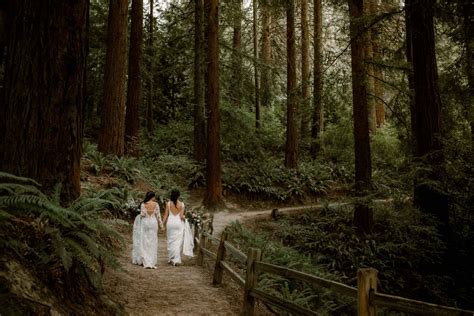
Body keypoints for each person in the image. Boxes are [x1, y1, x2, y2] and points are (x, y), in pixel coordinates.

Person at [132, 191, 164, 269]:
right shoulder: (156, 204)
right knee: (153, 241)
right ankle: (151, 260)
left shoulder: (143, 204)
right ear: (152, 197)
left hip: (145, 222)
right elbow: (158, 216)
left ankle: (145, 259)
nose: (155, 198)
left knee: (144, 241)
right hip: (153, 223)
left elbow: (142, 214)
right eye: (154, 197)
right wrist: (161, 226)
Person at [163, 189, 193, 266]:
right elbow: (181, 216)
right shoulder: (182, 204)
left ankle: (171, 258)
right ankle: (176, 259)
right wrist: (186, 218)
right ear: (179, 195)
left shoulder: (169, 203)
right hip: (178, 223)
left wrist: (162, 224)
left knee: (170, 240)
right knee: (177, 241)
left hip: (170, 223)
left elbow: (166, 215)